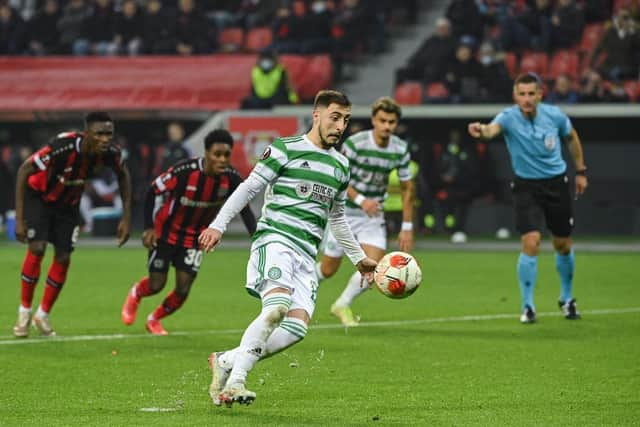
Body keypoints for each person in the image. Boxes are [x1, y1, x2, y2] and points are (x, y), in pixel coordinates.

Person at [198, 90, 377, 407]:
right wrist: (218, 224)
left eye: (346, 120)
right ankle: (235, 383)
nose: (340, 126)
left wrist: (360, 258)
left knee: (295, 329)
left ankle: (226, 361)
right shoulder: (285, 149)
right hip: (276, 240)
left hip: (307, 257)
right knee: (276, 308)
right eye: (335, 117)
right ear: (317, 115)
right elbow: (249, 188)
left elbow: (337, 218)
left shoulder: (340, 166)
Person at [467, 72, 588, 324]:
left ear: (540, 94)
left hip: (556, 184)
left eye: (531, 94)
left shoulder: (554, 116)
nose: (526, 99)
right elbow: (491, 130)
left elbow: (571, 137)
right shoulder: (508, 118)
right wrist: (480, 130)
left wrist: (581, 171)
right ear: (515, 95)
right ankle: (528, 305)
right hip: (526, 187)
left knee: (562, 244)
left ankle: (566, 298)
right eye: (521, 94)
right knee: (531, 242)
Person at [121, 129, 257, 335]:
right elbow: (152, 190)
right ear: (206, 153)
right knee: (157, 284)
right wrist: (148, 226)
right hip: (166, 232)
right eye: (217, 154)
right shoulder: (185, 171)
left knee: (183, 289)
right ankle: (136, 293)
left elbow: (244, 208)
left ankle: (154, 319)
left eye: (226, 155)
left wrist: (256, 239)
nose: (222, 160)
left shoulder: (231, 179)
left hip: (195, 238)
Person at [13, 112, 131, 337]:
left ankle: (43, 315)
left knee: (64, 257)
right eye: (100, 134)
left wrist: (126, 218)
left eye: (109, 134)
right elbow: (24, 170)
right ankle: (24, 312)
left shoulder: (111, 154)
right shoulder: (62, 146)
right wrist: (19, 219)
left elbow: (123, 175)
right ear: (87, 134)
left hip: (68, 205)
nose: (105, 139)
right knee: (37, 248)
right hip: (40, 198)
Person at [316, 96, 415, 327]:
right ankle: (296, 290)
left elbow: (407, 188)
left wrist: (407, 227)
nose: (387, 126)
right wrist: (361, 200)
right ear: (374, 120)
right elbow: (338, 177)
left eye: (392, 122)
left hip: (372, 217)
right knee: (328, 269)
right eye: (383, 120)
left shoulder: (400, 149)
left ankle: (342, 304)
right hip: (344, 213)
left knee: (375, 266)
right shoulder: (355, 144)